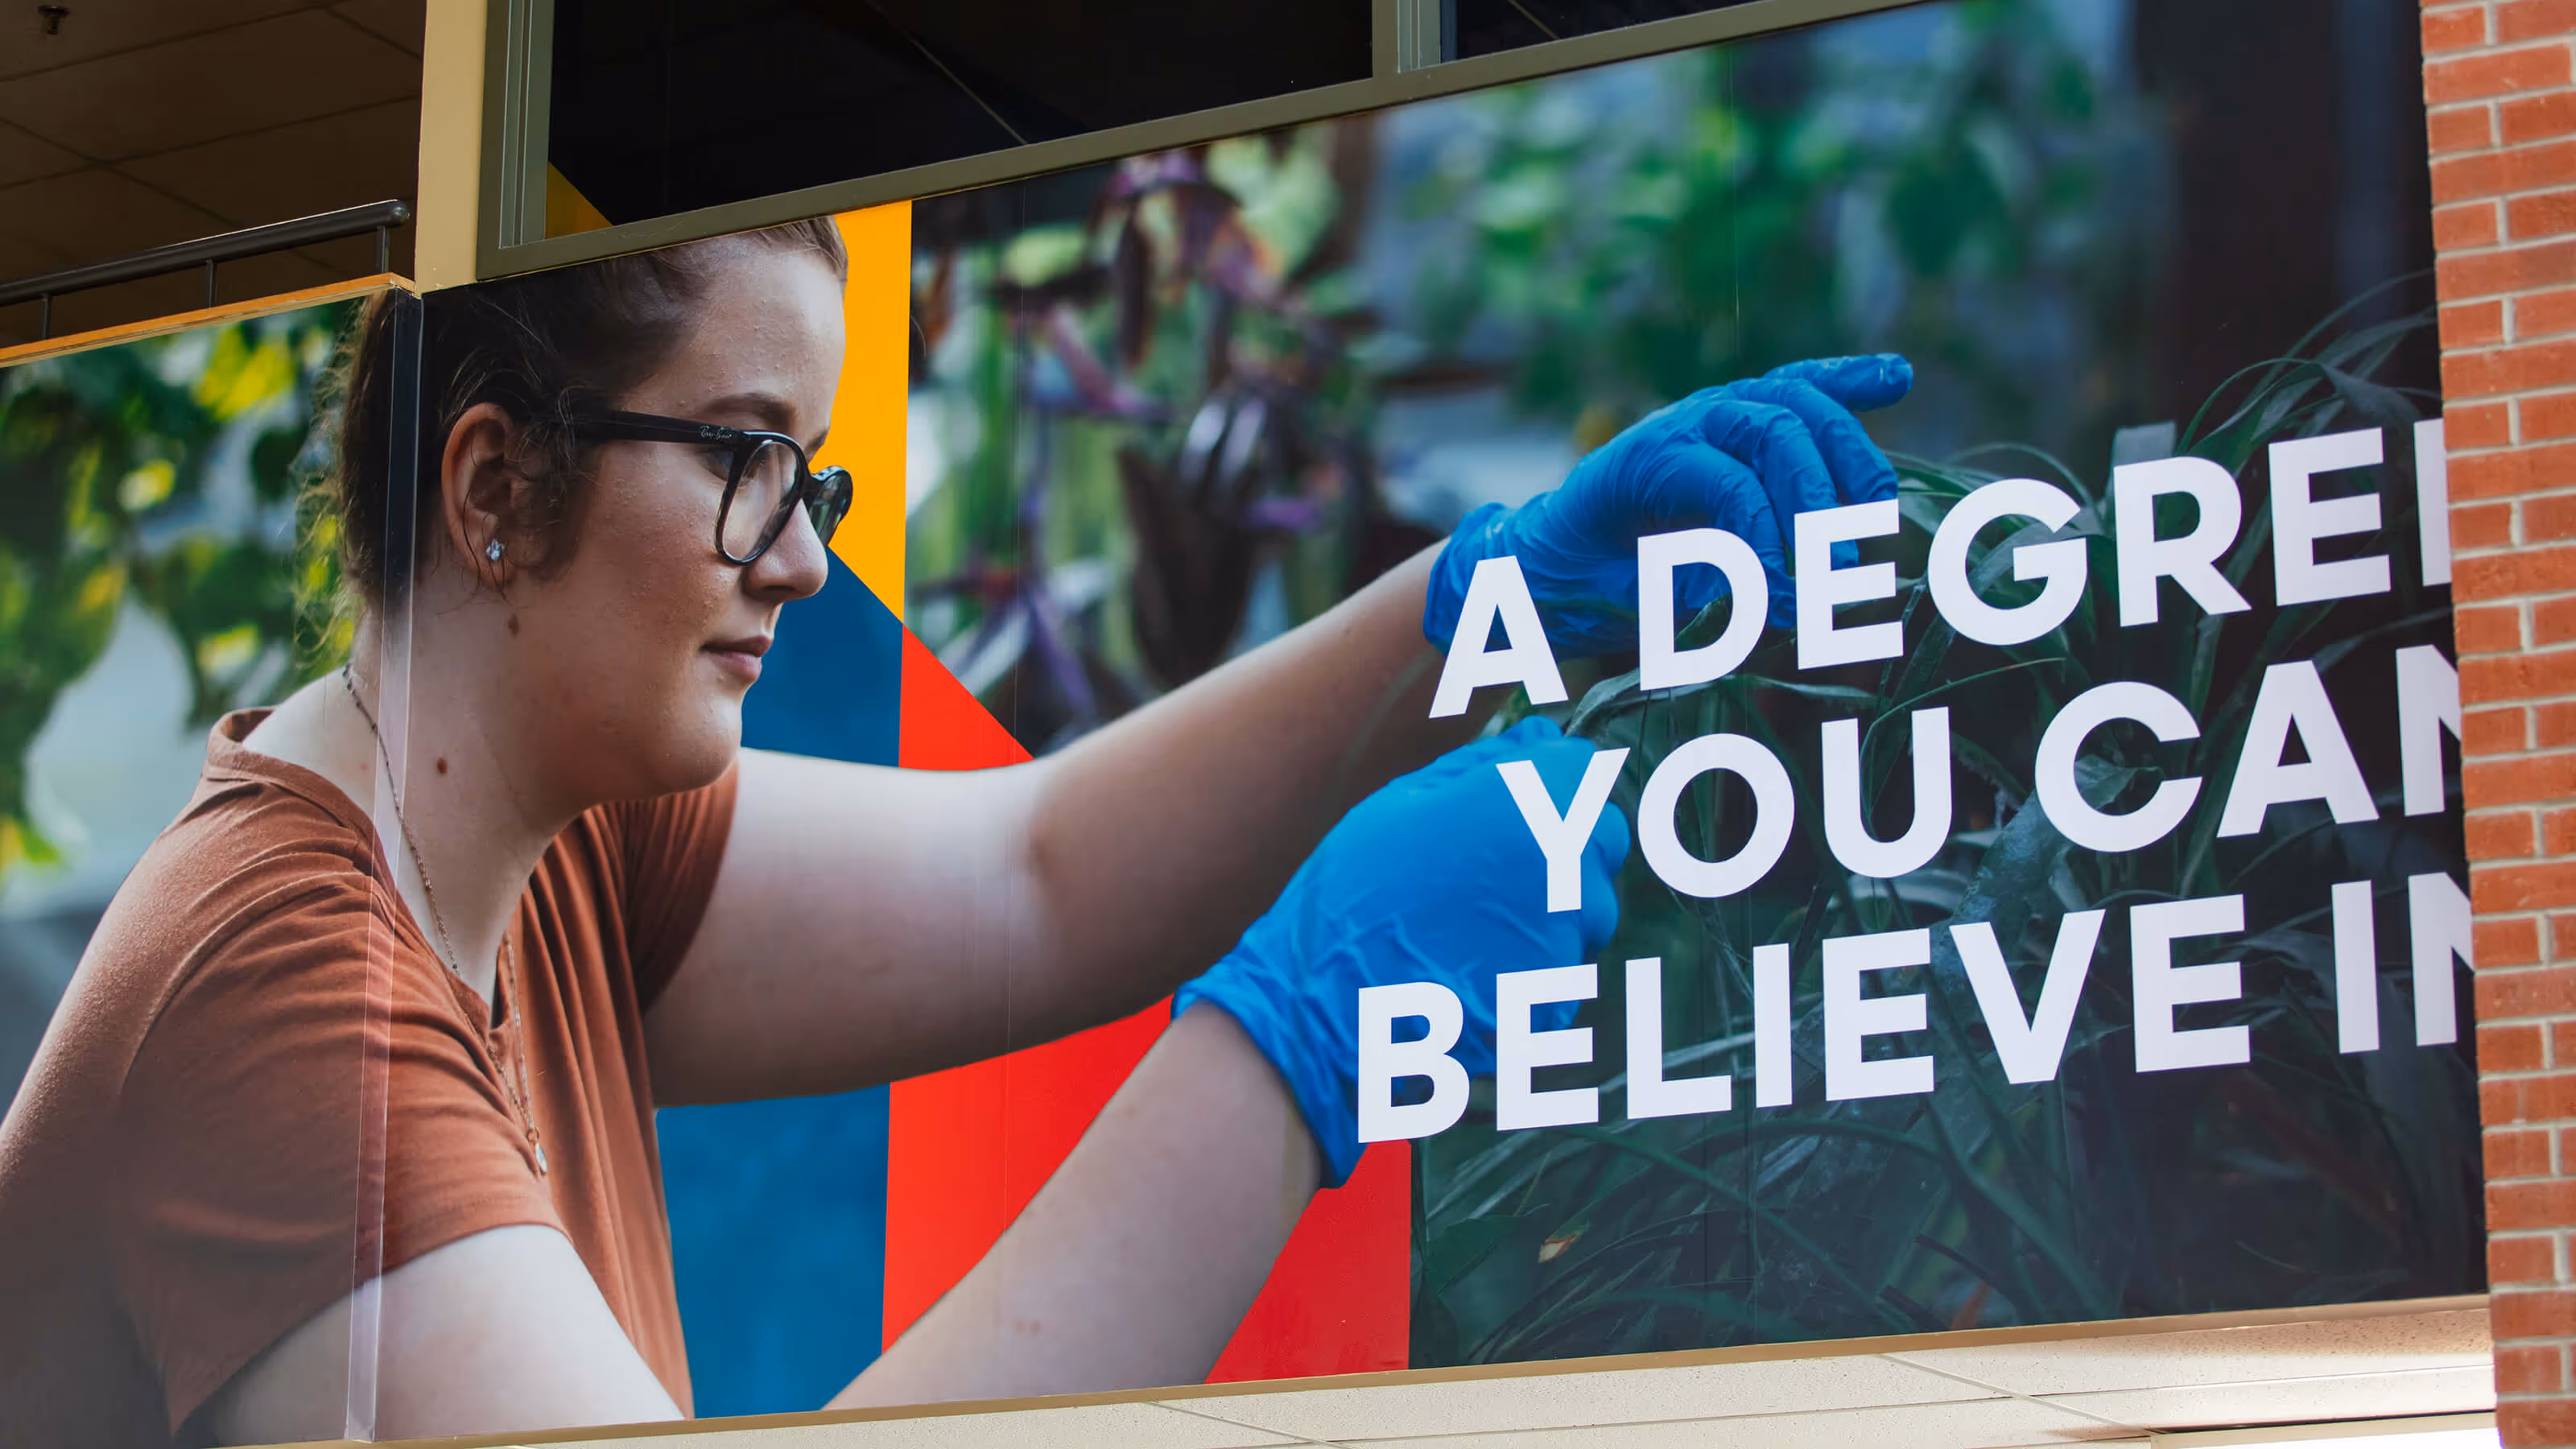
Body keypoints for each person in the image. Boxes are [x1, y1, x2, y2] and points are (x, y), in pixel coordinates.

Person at [0, 216, 1911, 1447]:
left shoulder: (545, 837)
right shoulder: (284, 994)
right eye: (749, 460)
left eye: (810, 473)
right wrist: (1297, 1041)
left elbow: (1037, 874)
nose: (809, 557)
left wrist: (1478, 611)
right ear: (495, 484)